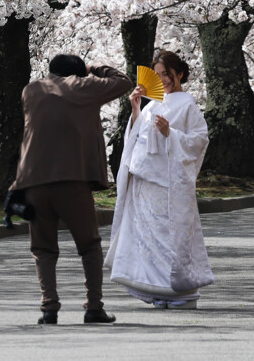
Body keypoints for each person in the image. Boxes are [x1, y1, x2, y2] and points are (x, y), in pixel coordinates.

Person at [12, 53, 132, 325]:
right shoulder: (84, 87)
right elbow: (123, 81)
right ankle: (93, 307)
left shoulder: (30, 90)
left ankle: (49, 308)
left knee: (43, 248)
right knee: (89, 245)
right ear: (77, 74)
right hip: (72, 179)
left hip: (34, 182)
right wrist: (93, 69)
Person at [105, 49, 214, 309]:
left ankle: (180, 292)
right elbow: (137, 136)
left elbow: (199, 141)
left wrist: (171, 134)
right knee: (148, 236)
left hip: (169, 182)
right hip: (145, 181)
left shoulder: (187, 104)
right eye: (158, 74)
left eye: (167, 74)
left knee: (169, 234)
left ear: (179, 74)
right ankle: (158, 290)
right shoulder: (152, 103)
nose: (163, 79)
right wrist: (135, 110)